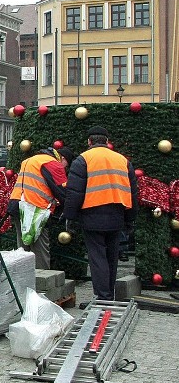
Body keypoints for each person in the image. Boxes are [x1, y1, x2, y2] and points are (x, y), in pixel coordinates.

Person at [64, 127, 138, 301]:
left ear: (89, 142)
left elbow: (74, 192)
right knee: (112, 256)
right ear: (106, 141)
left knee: (97, 257)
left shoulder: (83, 160)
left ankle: (103, 296)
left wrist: (69, 216)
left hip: (92, 215)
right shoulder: (122, 160)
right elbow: (133, 192)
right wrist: (130, 218)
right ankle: (109, 293)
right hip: (117, 214)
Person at [7, 147, 69, 269]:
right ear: (62, 159)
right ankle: (42, 283)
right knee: (40, 252)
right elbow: (62, 192)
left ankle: (23, 281)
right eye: (67, 164)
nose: (65, 168)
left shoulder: (30, 160)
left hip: (17, 206)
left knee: (23, 250)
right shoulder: (53, 164)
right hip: (35, 210)